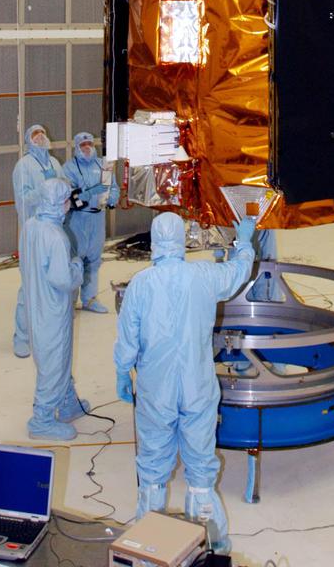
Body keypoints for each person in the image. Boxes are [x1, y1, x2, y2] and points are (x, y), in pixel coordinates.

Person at [114, 212, 256, 552]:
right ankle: (211, 547)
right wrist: (245, 243)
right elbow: (237, 273)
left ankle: (147, 549)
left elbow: (127, 340)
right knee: (200, 469)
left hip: (155, 390)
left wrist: (122, 371)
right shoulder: (203, 276)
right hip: (197, 387)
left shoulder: (141, 284)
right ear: (182, 239)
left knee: (152, 470)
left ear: (153, 240)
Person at [23, 178, 89, 440]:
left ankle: (67, 402)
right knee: (54, 360)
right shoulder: (56, 236)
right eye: (66, 201)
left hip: (36, 301)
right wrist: (77, 268)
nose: (68, 206)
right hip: (53, 307)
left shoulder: (31, 225)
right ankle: (42, 420)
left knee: (53, 357)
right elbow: (63, 280)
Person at [12, 123, 64, 358]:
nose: (41, 137)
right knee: (30, 286)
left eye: (42, 132)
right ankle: (21, 337)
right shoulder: (23, 166)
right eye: (35, 134)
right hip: (33, 232)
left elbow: (63, 190)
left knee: (53, 284)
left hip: (55, 230)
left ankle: (47, 334)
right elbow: (21, 199)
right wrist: (44, 190)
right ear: (28, 140)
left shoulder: (54, 163)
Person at [62, 131, 119, 313]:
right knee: (75, 259)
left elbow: (113, 186)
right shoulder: (69, 168)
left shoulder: (103, 165)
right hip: (77, 219)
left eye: (89, 144)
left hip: (97, 218)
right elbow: (71, 196)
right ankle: (70, 300)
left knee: (94, 260)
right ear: (77, 148)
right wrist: (91, 192)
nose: (87, 148)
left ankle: (90, 299)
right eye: (83, 145)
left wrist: (113, 197)